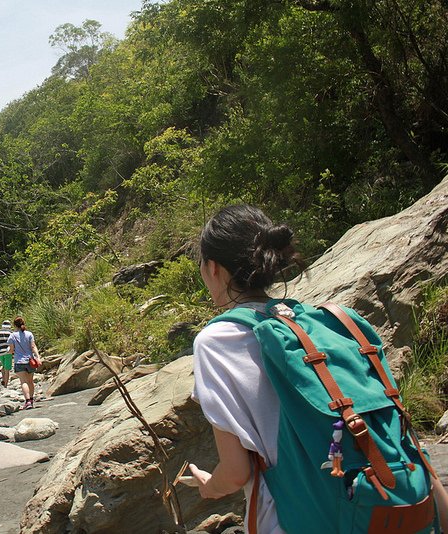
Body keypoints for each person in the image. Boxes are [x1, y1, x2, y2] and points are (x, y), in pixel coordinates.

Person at [188, 204, 448, 533]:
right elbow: (398, 425)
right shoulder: (331, 322)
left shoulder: (216, 341)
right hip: (399, 500)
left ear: (213, 268)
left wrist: (210, 486)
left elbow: (237, 472)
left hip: (304, 517)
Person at [7, 316, 41, 409]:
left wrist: (8, 354)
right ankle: (31, 399)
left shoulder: (12, 336)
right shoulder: (29, 334)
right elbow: (33, 346)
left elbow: (11, 350)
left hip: (19, 361)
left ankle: (27, 402)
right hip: (30, 361)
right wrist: (38, 357)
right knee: (30, 381)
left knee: (23, 382)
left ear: (14, 325)